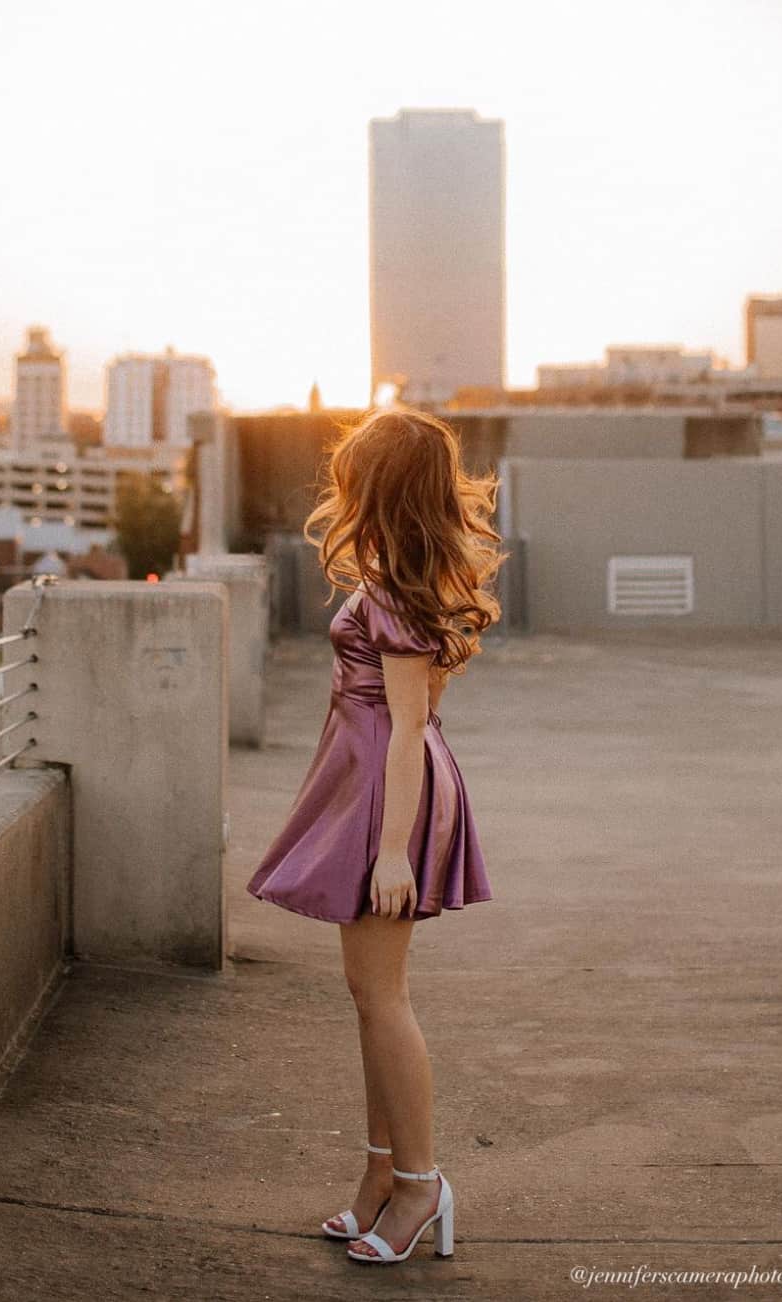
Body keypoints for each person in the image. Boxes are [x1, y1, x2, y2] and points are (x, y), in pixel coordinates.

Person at [246, 405, 506, 1265]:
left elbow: (406, 726)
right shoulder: (405, 576)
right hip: (375, 783)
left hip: (386, 794)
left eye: (355, 474)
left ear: (380, 488)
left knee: (384, 998)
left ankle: (423, 1185)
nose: (340, 486)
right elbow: (427, 710)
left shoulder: (396, 590)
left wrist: (393, 846)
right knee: (367, 997)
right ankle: (380, 1174)